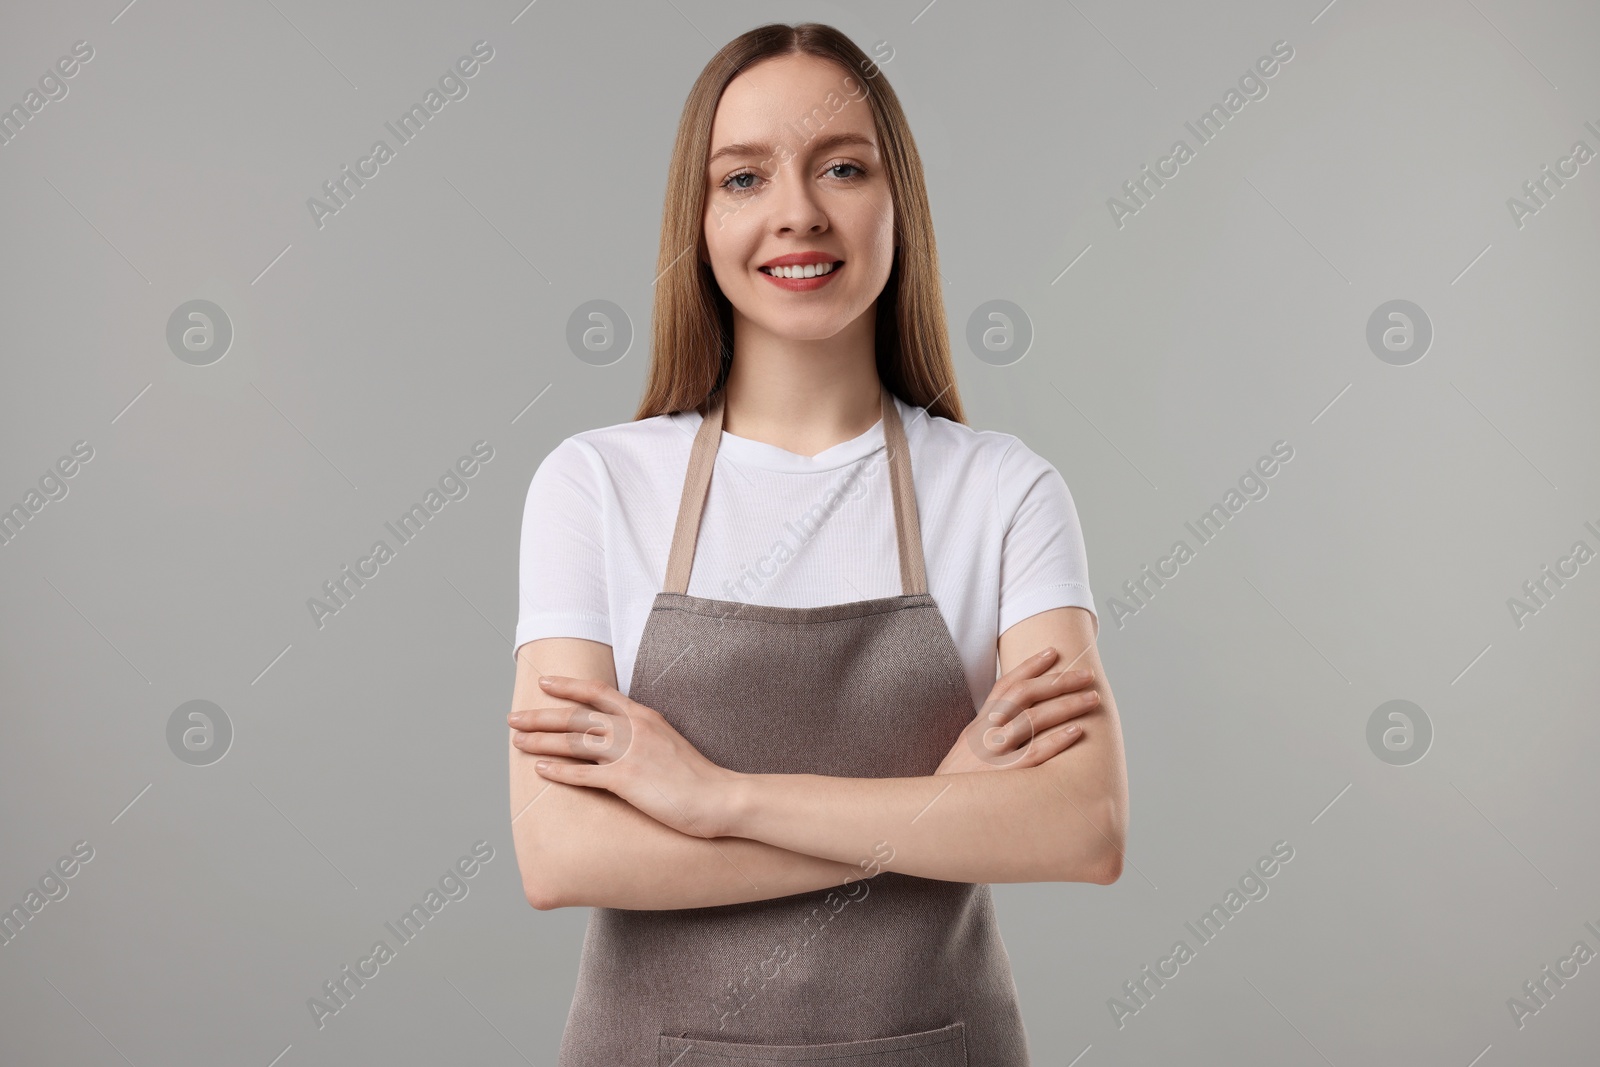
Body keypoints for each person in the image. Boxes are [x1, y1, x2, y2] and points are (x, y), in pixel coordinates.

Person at [506, 22, 1128, 1066]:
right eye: (743, 177)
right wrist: (941, 809)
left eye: (841, 166)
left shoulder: (1003, 490)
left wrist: (716, 798)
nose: (797, 210)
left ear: (899, 203)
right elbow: (562, 850)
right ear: (698, 219)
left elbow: (1080, 827)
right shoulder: (595, 484)